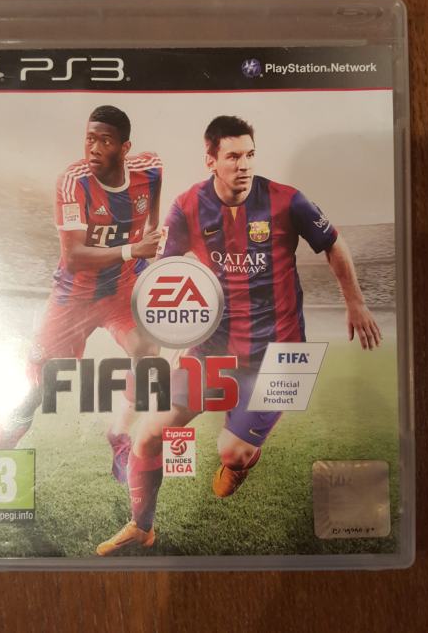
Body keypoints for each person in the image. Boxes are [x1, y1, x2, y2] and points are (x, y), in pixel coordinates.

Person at [97, 115, 382, 555]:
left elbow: (333, 244)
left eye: (249, 155)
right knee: (149, 434)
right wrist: (169, 334)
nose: (243, 165)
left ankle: (242, 456)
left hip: (283, 355)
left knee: (231, 453)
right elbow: (164, 273)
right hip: (213, 348)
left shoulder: (288, 200)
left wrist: (355, 302)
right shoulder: (188, 205)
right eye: (232, 156)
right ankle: (142, 527)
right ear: (211, 160)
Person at [0, 105, 162, 483]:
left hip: (122, 292)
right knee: (40, 385)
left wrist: (149, 240)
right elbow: (73, 258)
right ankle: (3, 446)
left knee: (149, 353)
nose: (94, 148)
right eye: (90, 139)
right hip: (74, 298)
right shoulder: (73, 181)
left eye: (106, 141)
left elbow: (153, 207)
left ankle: (119, 435)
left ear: (125, 147)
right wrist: (134, 250)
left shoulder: (149, 168)